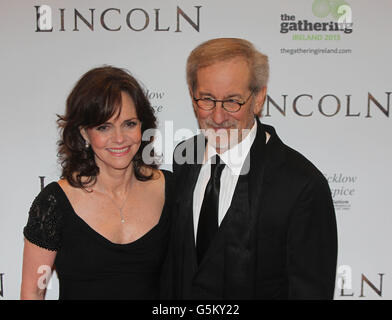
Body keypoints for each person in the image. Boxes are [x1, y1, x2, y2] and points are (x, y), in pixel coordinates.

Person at [160, 38, 338, 299]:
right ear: (191, 95)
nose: (218, 117)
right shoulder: (184, 159)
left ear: (258, 99)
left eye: (232, 101)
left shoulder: (302, 185)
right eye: (207, 99)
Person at [21, 66, 172, 300]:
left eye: (129, 124)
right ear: (83, 133)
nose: (119, 138)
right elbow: (34, 290)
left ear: (143, 126)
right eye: (104, 127)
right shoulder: (54, 205)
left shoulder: (172, 190)